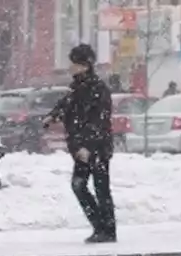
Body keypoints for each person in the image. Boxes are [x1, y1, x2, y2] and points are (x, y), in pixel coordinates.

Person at [44, 44, 116, 243]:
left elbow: (99, 120)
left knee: (100, 188)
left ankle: (108, 230)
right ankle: (100, 226)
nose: (71, 67)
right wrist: (53, 116)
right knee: (79, 186)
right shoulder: (76, 88)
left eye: (74, 63)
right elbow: (66, 104)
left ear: (85, 65)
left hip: (97, 147)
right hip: (80, 147)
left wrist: (88, 146)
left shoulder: (98, 89)